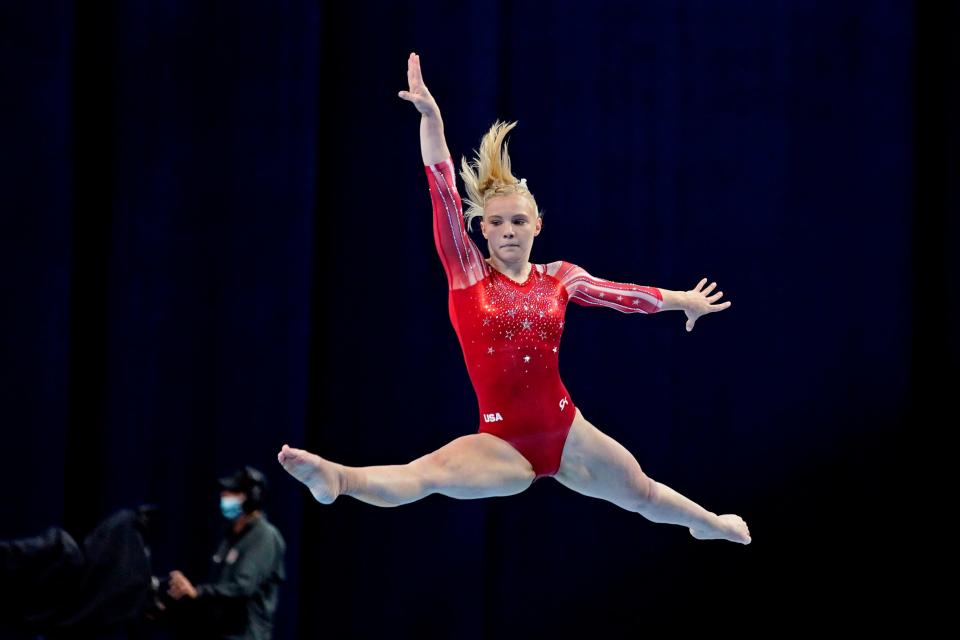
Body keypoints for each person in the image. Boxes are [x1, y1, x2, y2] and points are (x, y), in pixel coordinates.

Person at [278, 52, 750, 545]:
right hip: (502, 444)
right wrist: (433, 120)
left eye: (519, 221)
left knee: (644, 494)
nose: (508, 231)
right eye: (497, 222)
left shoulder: (561, 277)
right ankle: (338, 479)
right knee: (424, 476)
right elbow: (441, 191)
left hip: (568, 431)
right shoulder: (467, 274)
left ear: (537, 226)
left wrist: (683, 301)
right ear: (481, 229)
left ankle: (710, 524)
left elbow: (622, 295)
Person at [165, 466, 286, 639]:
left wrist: (197, 592)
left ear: (252, 497)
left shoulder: (264, 536)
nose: (224, 496)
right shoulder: (231, 535)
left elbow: (242, 587)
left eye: (233, 492)